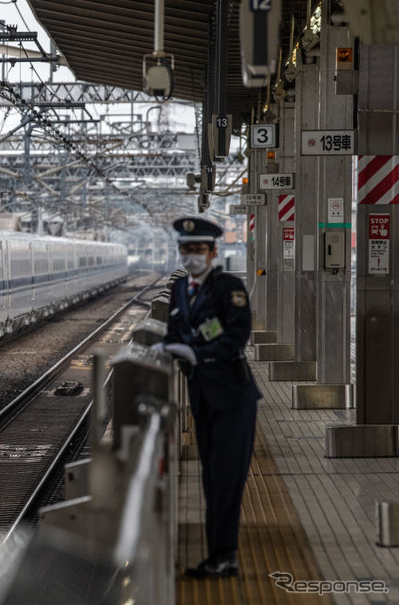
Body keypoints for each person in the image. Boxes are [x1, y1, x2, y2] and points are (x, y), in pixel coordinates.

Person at [156, 216, 261, 579]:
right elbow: (174, 331)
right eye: (186, 249)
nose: (192, 256)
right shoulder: (181, 290)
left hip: (233, 397)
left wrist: (197, 354)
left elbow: (236, 336)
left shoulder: (228, 287)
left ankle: (224, 556)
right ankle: (218, 553)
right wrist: (171, 347)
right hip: (203, 396)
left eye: (198, 249)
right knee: (210, 478)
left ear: (214, 251)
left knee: (226, 478)